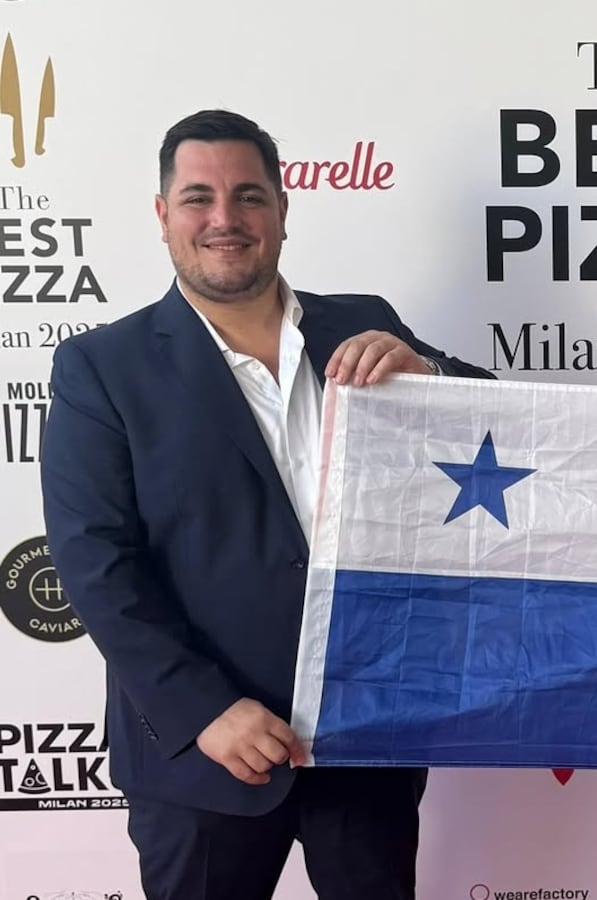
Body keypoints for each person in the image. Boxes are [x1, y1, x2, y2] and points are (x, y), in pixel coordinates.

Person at [40, 109, 494, 900]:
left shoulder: (365, 321)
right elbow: (96, 564)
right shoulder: (102, 367)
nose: (226, 218)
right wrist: (204, 711)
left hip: (365, 732)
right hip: (206, 753)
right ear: (163, 215)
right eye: (199, 198)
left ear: (282, 210)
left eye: (249, 196)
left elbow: (506, 431)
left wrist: (433, 377)